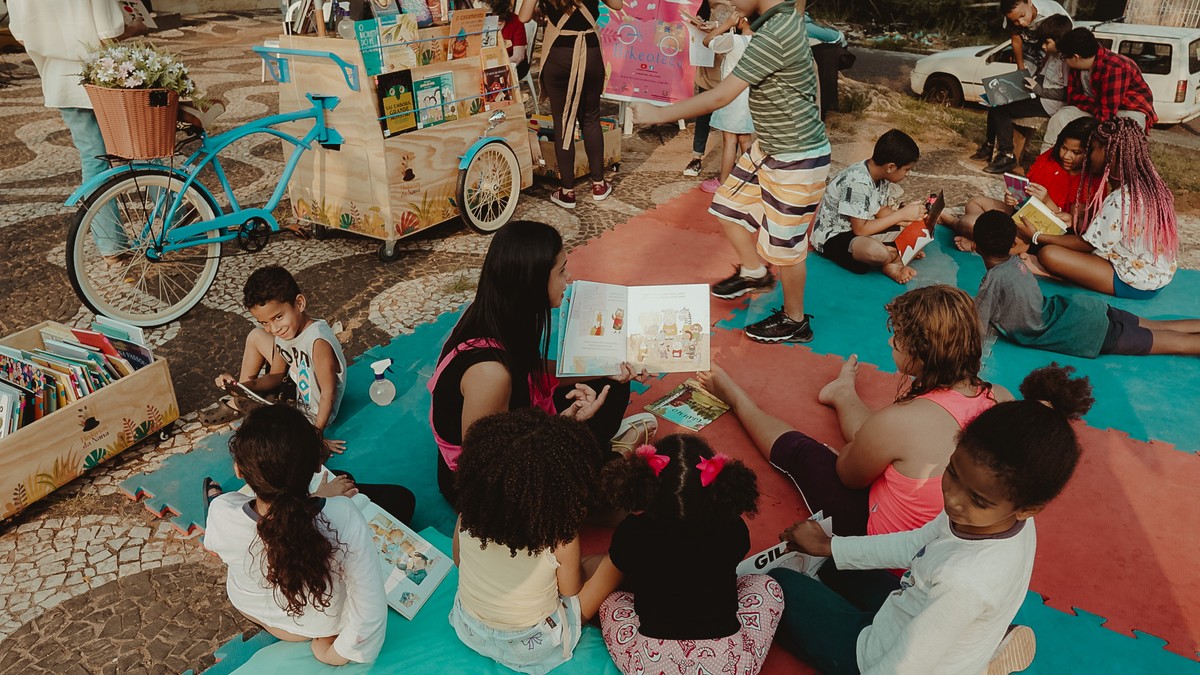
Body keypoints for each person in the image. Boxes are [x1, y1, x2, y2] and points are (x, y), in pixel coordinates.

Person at [698, 285, 1012, 609]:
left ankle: (735, 398)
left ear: (921, 353)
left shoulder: (900, 422)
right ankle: (843, 393)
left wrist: (855, 452)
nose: (891, 341)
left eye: (898, 336)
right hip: (962, 552)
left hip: (889, 557)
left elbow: (847, 473)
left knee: (805, 453)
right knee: (881, 436)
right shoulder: (1000, 397)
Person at [769, 364, 1094, 675]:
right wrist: (830, 546)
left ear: (1028, 509)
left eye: (977, 499)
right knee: (832, 567)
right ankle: (980, 652)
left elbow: (899, 670)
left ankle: (972, 659)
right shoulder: (996, 515)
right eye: (952, 472)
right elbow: (917, 543)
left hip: (875, 659)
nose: (952, 498)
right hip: (915, 610)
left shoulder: (963, 582)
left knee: (775, 584)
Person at [631, 0, 831, 344]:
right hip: (768, 147)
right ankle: (754, 271)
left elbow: (719, 97)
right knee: (726, 206)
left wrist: (654, 114)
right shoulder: (781, 19)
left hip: (796, 158)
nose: (728, 4)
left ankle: (796, 320)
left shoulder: (776, 33)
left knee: (787, 249)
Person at [429, 220, 653, 507]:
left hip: (517, 430)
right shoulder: (490, 374)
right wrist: (563, 426)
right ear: (532, 281)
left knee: (611, 384)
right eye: (560, 271)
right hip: (484, 487)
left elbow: (531, 370)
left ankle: (604, 456)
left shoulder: (504, 312)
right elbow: (485, 467)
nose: (569, 278)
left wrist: (604, 369)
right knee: (606, 499)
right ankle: (613, 456)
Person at [203, 405, 389, 666]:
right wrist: (336, 654)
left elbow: (216, 544)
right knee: (395, 497)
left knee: (221, 504)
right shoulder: (342, 515)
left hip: (258, 611)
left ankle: (214, 496)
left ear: (239, 470)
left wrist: (319, 498)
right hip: (324, 627)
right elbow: (370, 611)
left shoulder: (222, 512)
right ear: (317, 464)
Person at [449, 409, 622, 673]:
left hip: (469, 628)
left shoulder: (468, 517)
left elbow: (459, 561)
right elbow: (569, 590)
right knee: (613, 562)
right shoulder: (560, 540)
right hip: (532, 646)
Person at [596, 434, 784, 674]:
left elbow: (621, 568)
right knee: (768, 586)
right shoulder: (732, 527)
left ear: (645, 489)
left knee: (610, 601)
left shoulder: (631, 532)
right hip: (727, 665)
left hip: (651, 665)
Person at [7, 0, 145, 258]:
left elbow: (23, 35)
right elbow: (108, 31)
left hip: (59, 78)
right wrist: (134, 27)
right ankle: (177, 216)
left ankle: (111, 247)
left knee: (93, 160)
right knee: (141, 146)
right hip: (104, 74)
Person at [975, 210, 1200, 356]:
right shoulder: (1016, 263)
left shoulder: (993, 280)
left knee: (1168, 343)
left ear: (976, 247)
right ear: (1014, 242)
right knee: (1155, 325)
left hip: (1083, 331)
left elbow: (976, 327)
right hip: (1078, 309)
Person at [1018, 117, 1176, 298]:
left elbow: (1087, 244)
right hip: (1155, 275)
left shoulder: (1122, 198)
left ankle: (1055, 274)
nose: (1090, 156)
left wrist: (1038, 236)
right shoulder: (1152, 186)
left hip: (1132, 281)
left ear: (1108, 152)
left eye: (1092, 149)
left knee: (1049, 254)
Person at [212, 267, 347, 445]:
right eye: (264, 322)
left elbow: (328, 393)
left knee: (266, 445)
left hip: (314, 416)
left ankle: (253, 410)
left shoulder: (318, 342)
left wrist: (316, 435)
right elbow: (276, 376)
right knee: (256, 336)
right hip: (295, 392)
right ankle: (242, 401)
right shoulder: (284, 334)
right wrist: (241, 387)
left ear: (299, 304)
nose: (273, 329)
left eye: (278, 317)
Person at [518, 0, 619, 208]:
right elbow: (617, 5)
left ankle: (567, 191)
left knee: (562, 121)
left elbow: (523, 17)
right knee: (591, 118)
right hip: (590, 53)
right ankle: (599, 185)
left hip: (559, 55)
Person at [949, 116, 1098, 251]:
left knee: (969, 223)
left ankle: (962, 230)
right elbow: (1028, 193)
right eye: (1064, 148)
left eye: (1076, 153)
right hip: (1020, 216)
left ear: (1089, 153)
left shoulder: (1089, 181)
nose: (1066, 156)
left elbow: (1070, 229)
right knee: (974, 203)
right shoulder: (1051, 158)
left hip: (1038, 232)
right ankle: (984, 239)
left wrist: (1047, 201)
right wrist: (1014, 198)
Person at [809, 129, 926, 284]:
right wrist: (900, 215)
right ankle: (893, 257)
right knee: (875, 252)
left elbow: (881, 209)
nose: (908, 174)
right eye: (907, 169)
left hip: (863, 231)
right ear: (890, 167)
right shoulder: (859, 181)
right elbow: (860, 230)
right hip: (836, 235)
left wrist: (908, 220)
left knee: (920, 230)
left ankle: (893, 262)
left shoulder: (881, 176)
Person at [979, 14, 1072, 173]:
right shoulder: (1053, 55)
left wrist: (1039, 90)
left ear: (1060, 40)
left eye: (1047, 42)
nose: (1043, 46)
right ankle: (990, 146)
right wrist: (1027, 84)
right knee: (995, 97)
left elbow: (1065, 93)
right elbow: (1044, 76)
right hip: (1040, 96)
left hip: (1049, 104)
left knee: (1001, 107)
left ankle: (1007, 154)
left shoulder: (1066, 61)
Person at [1042, 26, 1156, 152]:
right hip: (1097, 107)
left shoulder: (1115, 67)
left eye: (1064, 58)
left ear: (1075, 57)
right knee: (1060, 117)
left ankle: (1116, 169)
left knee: (1123, 137)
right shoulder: (1076, 67)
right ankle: (1045, 164)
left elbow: (1107, 114)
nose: (1064, 61)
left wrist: (1093, 106)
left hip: (1127, 110)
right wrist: (1095, 105)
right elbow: (1072, 97)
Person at [700, 11, 755, 194]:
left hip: (732, 97)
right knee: (746, 140)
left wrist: (724, 25)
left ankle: (723, 182)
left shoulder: (735, 41)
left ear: (743, 19)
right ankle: (749, 182)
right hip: (749, 97)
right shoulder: (759, 41)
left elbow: (707, 42)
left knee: (730, 140)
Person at [683, 0, 736, 180]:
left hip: (733, 56)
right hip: (710, 56)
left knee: (733, 115)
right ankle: (696, 157)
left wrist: (719, 25)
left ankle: (735, 164)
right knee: (703, 111)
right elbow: (704, 11)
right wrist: (699, 20)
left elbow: (748, 22)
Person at [483, 0, 530, 79]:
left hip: (514, 65)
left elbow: (519, 57)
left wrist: (496, 69)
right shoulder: (481, 22)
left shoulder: (516, 21)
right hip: (487, 65)